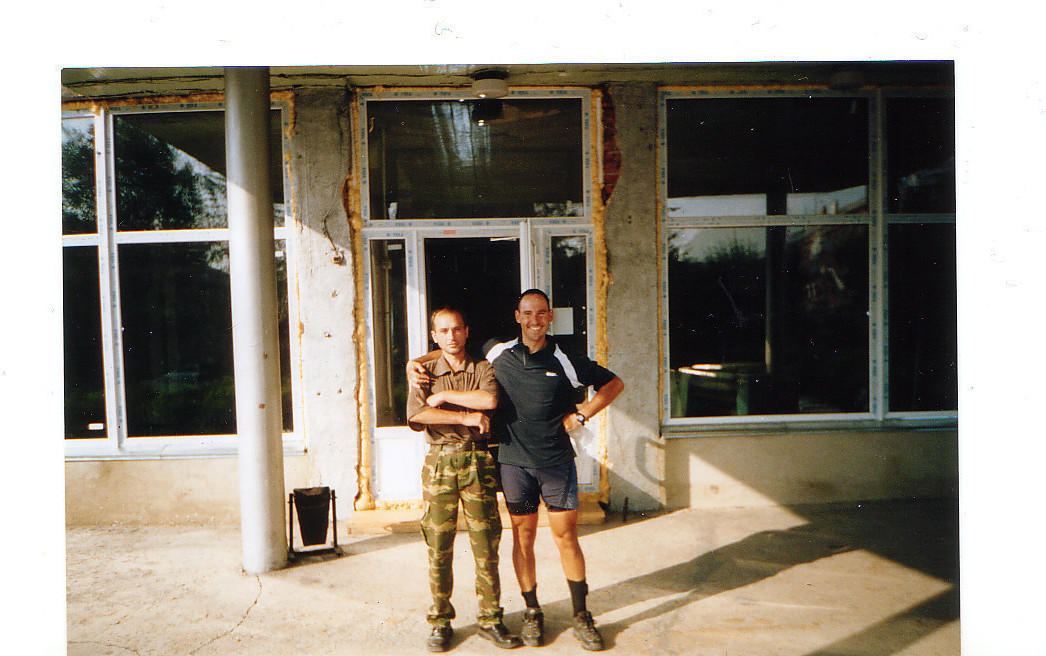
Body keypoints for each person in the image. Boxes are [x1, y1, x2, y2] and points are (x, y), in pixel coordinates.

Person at [409, 290, 624, 651]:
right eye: (527, 313)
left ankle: (581, 614)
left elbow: (614, 384)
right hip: (514, 464)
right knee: (522, 537)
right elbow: (451, 346)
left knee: (566, 537)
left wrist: (582, 414)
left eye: (541, 313)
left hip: (556, 463)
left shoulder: (567, 357)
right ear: (517, 316)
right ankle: (532, 611)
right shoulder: (498, 351)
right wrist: (413, 363)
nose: (534, 320)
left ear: (550, 316)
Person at [406, 307, 523, 652]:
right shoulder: (423, 370)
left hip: (477, 461)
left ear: (467, 331)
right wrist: (466, 416)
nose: (451, 336)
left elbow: (489, 399)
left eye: (457, 329)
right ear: (434, 336)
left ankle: (491, 619)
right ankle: (440, 621)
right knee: (438, 545)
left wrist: (445, 397)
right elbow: (418, 413)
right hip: (440, 462)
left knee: (486, 544)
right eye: (443, 331)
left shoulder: (482, 367)